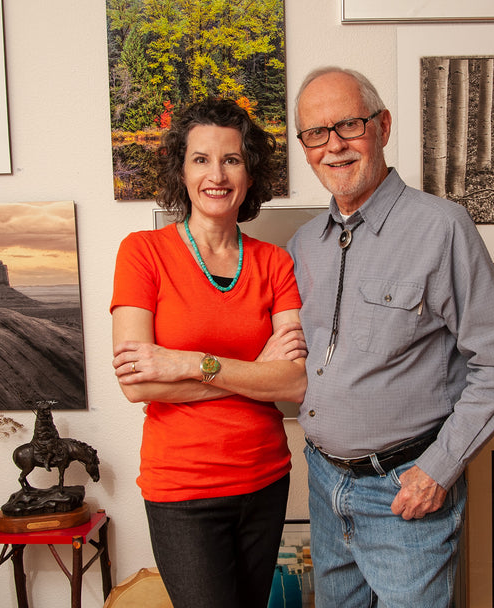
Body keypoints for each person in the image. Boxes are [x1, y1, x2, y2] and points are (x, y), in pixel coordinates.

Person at [286, 66, 494, 606]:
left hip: (405, 492)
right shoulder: (304, 244)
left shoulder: (442, 227)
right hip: (326, 485)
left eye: (349, 125)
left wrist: (439, 470)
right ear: (304, 146)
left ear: (383, 126)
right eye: (315, 133)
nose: (334, 146)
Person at [110, 98, 307, 608]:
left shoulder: (275, 263)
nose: (216, 175)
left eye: (231, 159)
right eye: (200, 159)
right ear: (181, 169)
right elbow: (136, 383)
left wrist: (188, 363)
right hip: (182, 490)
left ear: (249, 173)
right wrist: (254, 371)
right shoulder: (143, 252)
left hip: (265, 480)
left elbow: (295, 383)